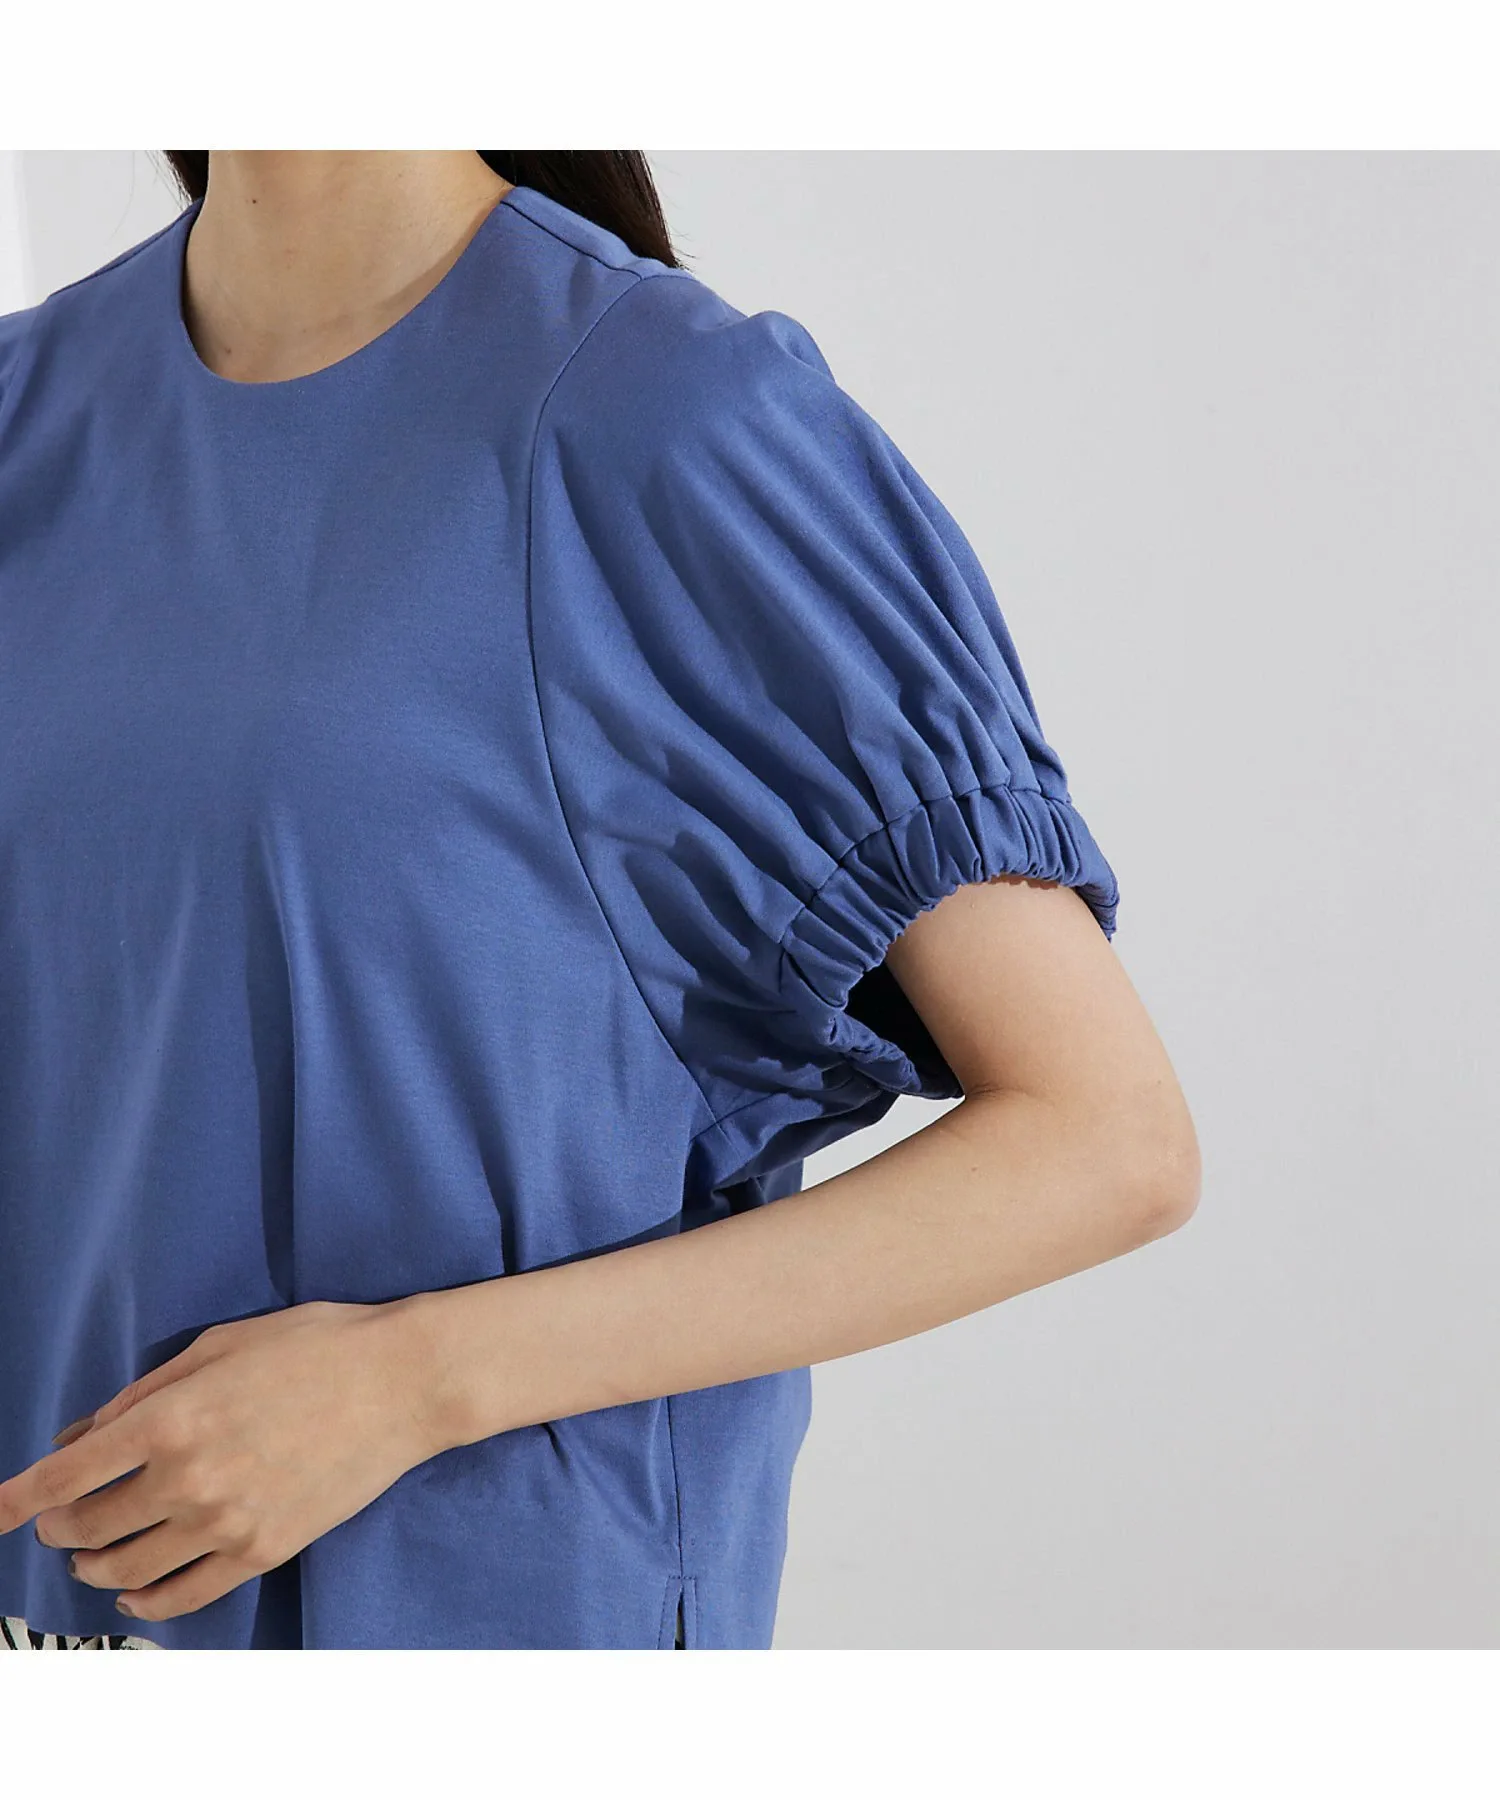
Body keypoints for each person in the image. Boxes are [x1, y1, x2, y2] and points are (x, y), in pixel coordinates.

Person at [0, 151, 1200, 1651]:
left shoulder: (670, 414)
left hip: (492, 1615)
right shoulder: (28, 412)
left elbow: (1107, 1140)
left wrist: (409, 1380)